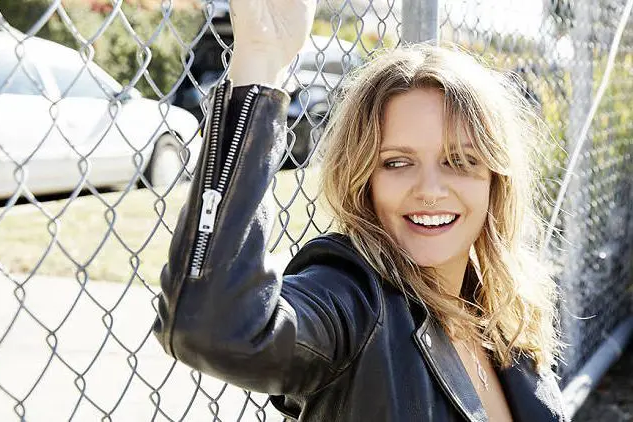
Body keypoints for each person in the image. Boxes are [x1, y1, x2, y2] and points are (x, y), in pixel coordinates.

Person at [153, 0, 567, 420]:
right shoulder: (356, 302)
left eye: (459, 161)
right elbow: (213, 326)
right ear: (364, 180)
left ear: (496, 179)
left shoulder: (502, 311)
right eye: (397, 163)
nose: (429, 190)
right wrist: (260, 58)